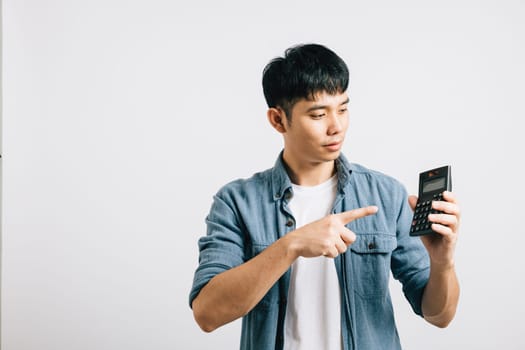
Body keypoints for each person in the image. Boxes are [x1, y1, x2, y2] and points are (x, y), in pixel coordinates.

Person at [189, 43, 460, 350]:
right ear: (278, 120)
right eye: (318, 115)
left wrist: (443, 262)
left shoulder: (386, 195)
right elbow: (207, 314)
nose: (337, 127)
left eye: (343, 109)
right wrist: (291, 246)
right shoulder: (237, 202)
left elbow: (439, 315)